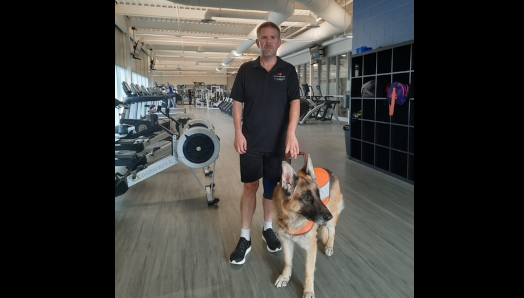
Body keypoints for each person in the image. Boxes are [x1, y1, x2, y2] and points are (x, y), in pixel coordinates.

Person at [229, 21, 301, 265]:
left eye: (273, 38)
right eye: (264, 38)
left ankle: (268, 228)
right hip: (250, 142)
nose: (268, 42)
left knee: (272, 189)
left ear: (279, 42)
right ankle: (245, 237)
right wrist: (238, 133)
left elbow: (295, 103)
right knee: (250, 187)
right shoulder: (246, 70)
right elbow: (237, 103)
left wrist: (291, 134)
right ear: (258, 42)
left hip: (278, 145)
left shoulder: (289, 71)